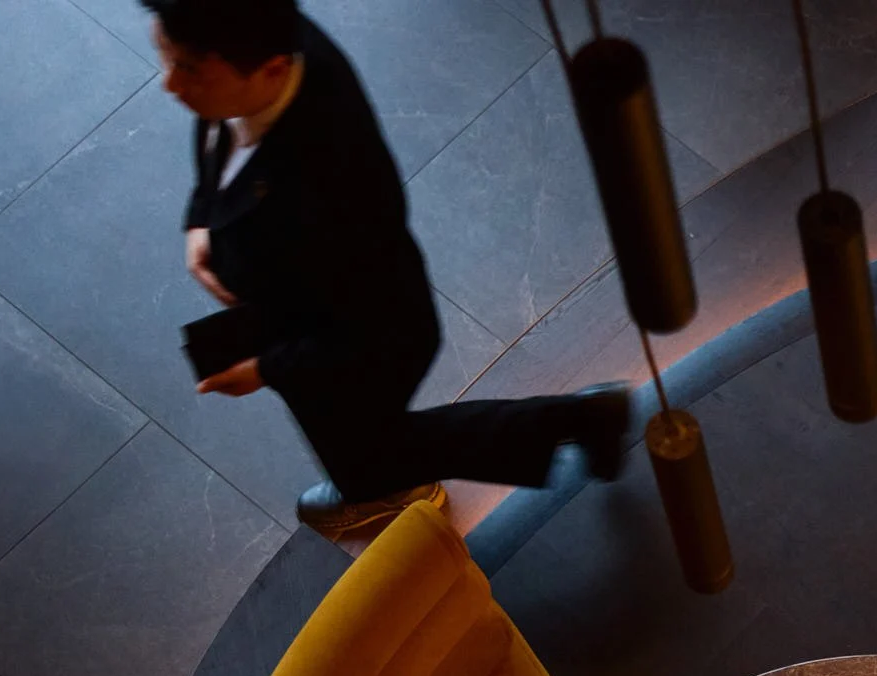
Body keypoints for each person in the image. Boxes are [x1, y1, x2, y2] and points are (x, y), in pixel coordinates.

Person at [148, 0, 629, 536]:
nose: (169, 84)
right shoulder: (256, 43)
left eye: (187, 69)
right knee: (361, 445)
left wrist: (266, 369)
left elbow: (357, 326)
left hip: (368, 337)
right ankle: (573, 424)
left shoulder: (333, 182)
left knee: (370, 454)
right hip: (301, 299)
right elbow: (219, 132)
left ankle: (572, 423)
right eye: (166, 57)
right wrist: (202, 219)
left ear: (272, 70)